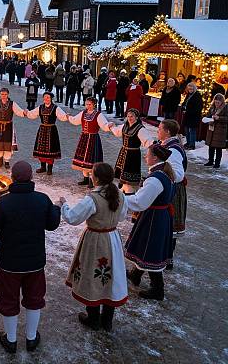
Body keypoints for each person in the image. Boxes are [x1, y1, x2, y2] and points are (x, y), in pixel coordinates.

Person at [0, 161, 61, 354]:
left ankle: (11, 340)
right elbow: (52, 224)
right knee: (34, 298)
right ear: (31, 177)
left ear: (12, 178)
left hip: (9, 264)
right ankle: (31, 338)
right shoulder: (42, 199)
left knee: (8, 299)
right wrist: (57, 208)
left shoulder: (4, 202)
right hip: (35, 263)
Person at [58, 162, 127, 331]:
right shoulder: (120, 194)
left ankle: (94, 318)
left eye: (92, 174)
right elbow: (123, 215)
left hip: (95, 240)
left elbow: (73, 218)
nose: (90, 176)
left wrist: (64, 205)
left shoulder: (93, 198)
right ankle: (107, 320)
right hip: (113, 239)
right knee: (112, 276)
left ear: (96, 178)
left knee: (92, 275)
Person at [125, 145, 175, 301]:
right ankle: (135, 274)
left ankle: (157, 289)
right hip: (160, 216)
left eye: (147, 154)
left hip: (154, 218)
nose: (145, 157)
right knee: (146, 247)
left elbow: (140, 202)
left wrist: (121, 199)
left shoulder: (155, 179)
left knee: (150, 249)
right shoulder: (164, 174)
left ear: (155, 158)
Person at [157, 119, 187, 270]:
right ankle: (165, 258)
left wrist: (161, 177)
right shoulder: (167, 145)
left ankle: (167, 259)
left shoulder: (173, 150)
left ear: (167, 131)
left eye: (160, 128)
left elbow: (179, 174)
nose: (157, 130)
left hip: (172, 191)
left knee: (170, 225)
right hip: (169, 188)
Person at [67, 97, 111, 187]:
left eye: (89, 104)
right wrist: (69, 117)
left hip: (93, 139)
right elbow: (75, 120)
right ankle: (85, 179)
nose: (87, 106)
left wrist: (109, 126)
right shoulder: (83, 113)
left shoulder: (98, 115)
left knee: (91, 159)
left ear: (94, 104)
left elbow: (104, 125)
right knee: (83, 159)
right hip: (84, 138)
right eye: (86, 104)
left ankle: (92, 180)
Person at [110, 109, 153, 194]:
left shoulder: (140, 129)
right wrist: (111, 127)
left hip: (133, 154)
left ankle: (130, 190)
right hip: (124, 151)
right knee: (122, 170)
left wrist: (154, 146)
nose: (129, 118)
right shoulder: (125, 126)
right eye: (128, 116)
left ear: (136, 117)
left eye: (132, 116)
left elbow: (147, 140)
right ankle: (123, 187)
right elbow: (117, 132)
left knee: (130, 171)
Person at [26, 92, 68, 175]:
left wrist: (67, 116)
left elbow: (62, 116)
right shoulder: (40, 107)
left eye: (48, 97)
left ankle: (49, 168)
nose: (46, 99)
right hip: (42, 129)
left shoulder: (55, 108)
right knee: (41, 149)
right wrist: (26, 112)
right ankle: (43, 167)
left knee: (50, 148)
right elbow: (32, 114)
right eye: (45, 97)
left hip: (51, 130)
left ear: (51, 99)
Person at [0, 88, 26, 169]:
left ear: (8, 95)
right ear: (0, 95)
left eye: (5, 94)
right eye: (2, 94)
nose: (3, 96)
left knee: (8, 144)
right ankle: (0, 160)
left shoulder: (12, 104)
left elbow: (19, 111)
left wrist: (24, 113)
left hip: (8, 126)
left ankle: (7, 161)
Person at [204, 93, 228, 169]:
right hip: (211, 129)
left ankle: (217, 163)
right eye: (215, 102)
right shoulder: (212, 107)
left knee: (218, 147)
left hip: (220, 131)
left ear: (222, 102)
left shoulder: (225, 107)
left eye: (218, 102)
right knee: (211, 146)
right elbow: (208, 115)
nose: (216, 104)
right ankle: (210, 161)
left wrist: (219, 118)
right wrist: (207, 119)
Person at [181, 82, 203, 150]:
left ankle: (192, 144)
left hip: (194, 116)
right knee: (187, 130)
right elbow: (185, 102)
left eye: (191, 88)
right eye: (189, 88)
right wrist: (183, 107)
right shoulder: (188, 94)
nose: (190, 89)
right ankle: (188, 142)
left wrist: (188, 111)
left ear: (194, 88)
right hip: (187, 116)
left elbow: (198, 107)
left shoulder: (197, 95)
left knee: (192, 130)